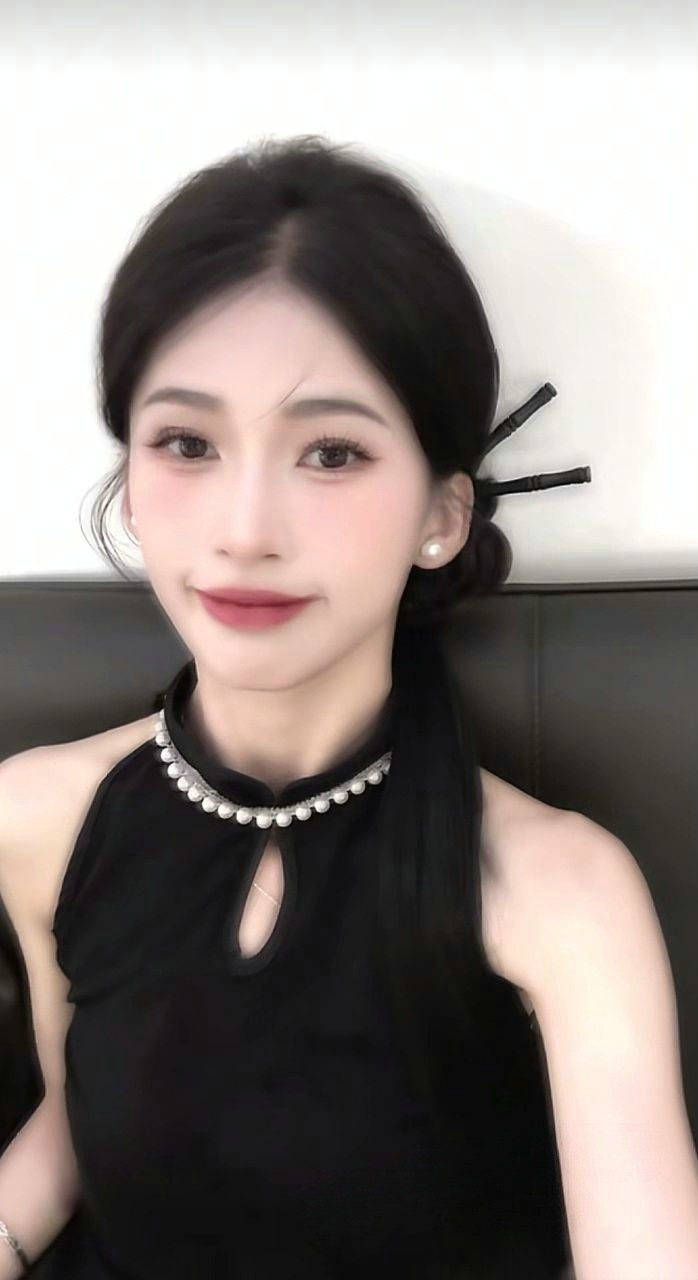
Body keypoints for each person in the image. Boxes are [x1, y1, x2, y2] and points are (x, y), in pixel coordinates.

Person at [0, 132, 647, 1279]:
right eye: (186, 442)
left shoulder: (557, 888)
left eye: (332, 453)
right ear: (131, 485)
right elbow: (85, 1116)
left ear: (441, 514)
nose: (244, 528)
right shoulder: (37, 816)